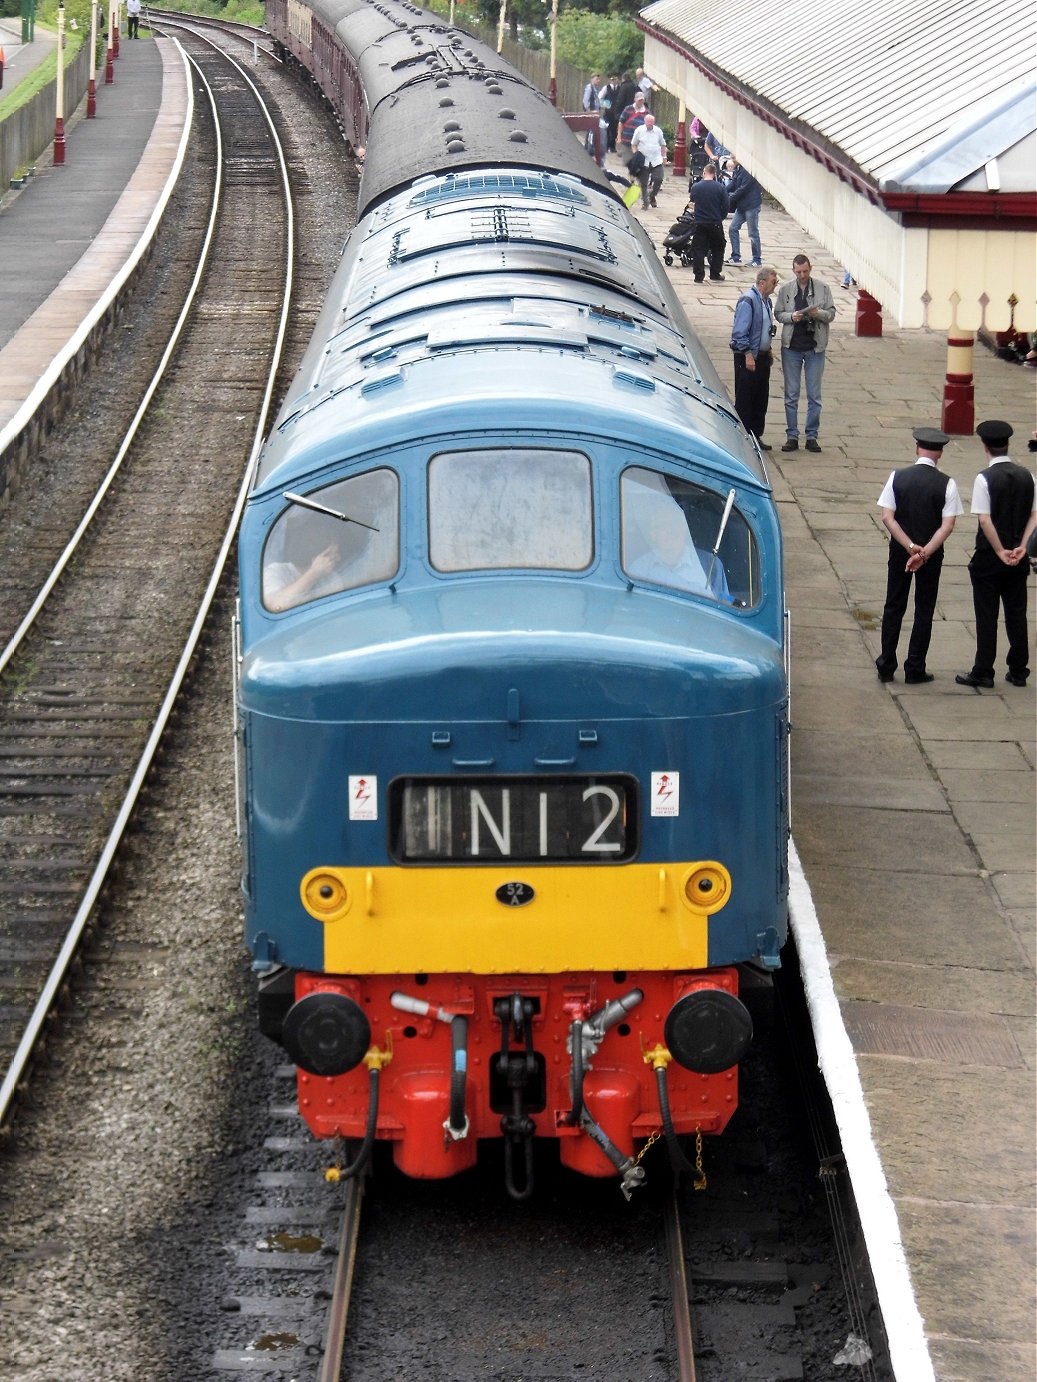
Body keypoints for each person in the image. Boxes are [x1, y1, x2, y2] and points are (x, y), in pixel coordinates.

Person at [874, 427, 964, 684]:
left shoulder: (897, 477)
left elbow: (887, 517)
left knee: (894, 605)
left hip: (900, 552)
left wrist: (909, 546)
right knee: (924, 609)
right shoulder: (947, 483)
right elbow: (947, 526)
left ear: (917, 449)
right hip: (931, 555)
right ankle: (915, 667)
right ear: (940, 453)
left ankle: (886, 665)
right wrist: (924, 553)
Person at [955, 420, 1037, 689]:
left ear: (985, 446)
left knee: (987, 614)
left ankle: (983, 669)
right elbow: (1034, 515)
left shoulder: (984, 478)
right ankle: (1018, 669)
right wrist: (1022, 546)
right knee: (1017, 613)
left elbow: (985, 520)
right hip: (1019, 555)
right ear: (1008, 444)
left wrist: (1000, 550)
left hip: (990, 557)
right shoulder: (1028, 476)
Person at [774, 254, 836, 453]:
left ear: (811, 269)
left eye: (805, 271)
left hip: (814, 347)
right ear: (793, 271)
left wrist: (818, 314)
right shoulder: (785, 290)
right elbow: (778, 314)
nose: (802, 275)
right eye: (798, 272)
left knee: (814, 395)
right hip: (791, 347)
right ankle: (792, 435)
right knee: (791, 394)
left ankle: (811, 436)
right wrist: (792, 317)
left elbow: (831, 313)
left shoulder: (823, 288)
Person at [730, 265, 779, 449]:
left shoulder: (766, 301)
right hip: (749, 358)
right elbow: (739, 333)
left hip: (763, 357)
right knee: (745, 398)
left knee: (760, 397)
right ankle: (743, 438)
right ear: (762, 282)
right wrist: (748, 355)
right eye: (773, 282)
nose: (775, 286)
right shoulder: (748, 300)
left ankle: (755, 435)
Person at [686, 162, 728, 283]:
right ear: (714, 174)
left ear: (704, 172)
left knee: (698, 248)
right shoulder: (720, 188)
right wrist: (721, 217)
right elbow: (726, 205)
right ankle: (715, 273)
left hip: (700, 222)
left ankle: (698, 275)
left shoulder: (696, 187)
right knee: (718, 247)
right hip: (715, 222)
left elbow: (692, 201)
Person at [724, 156, 763, 266]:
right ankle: (736, 256)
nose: (732, 159)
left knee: (753, 233)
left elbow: (743, 188)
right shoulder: (739, 168)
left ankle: (757, 259)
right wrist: (721, 190)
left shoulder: (749, 170)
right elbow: (733, 184)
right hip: (741, 206)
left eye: (734, 157)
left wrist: (729, 198)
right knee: (733, 228)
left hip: (751, 205)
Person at [630, 113, 666, 209]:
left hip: (656, 160)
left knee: (659, 178)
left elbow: (663, 145)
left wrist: (664, 157)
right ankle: (645, 202)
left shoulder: (658, 131)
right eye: (648, 122)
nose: (650, 123)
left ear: (654, 122)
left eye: (651, 122)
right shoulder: (639, 130)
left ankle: (652, 196)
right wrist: (636, 155)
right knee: (643, 183)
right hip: (643, 161)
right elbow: (634, 144)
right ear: (645, 122)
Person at [617, 93, 647, 167]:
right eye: (639, 100)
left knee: (637, 163)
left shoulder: (647, 112)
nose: (641, 102)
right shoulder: (628, 109)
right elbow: (621, 122)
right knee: (627, 163)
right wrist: (619, 137)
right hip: (627, 141)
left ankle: (633, 176)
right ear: (635, 100)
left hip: (639, 143)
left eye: (642, 100)